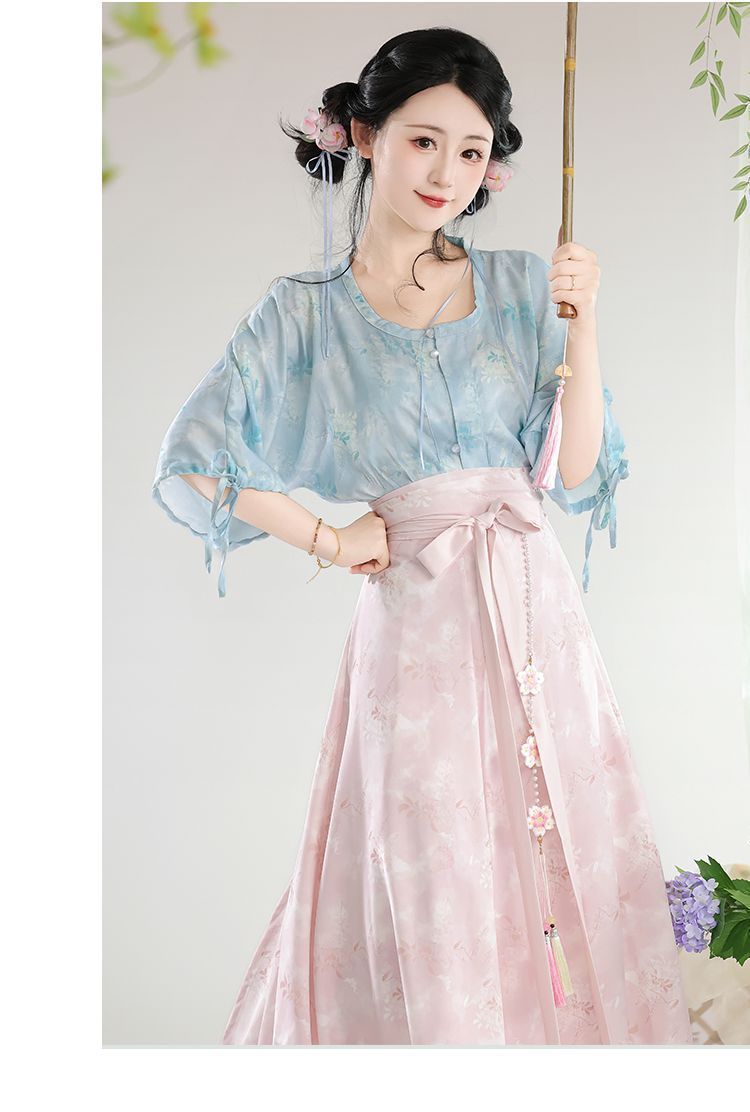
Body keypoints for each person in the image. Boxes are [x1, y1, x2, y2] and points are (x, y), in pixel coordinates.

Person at [151, 27, 692, 1046]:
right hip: (416, 630)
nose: (448, 173)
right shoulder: (304, 315)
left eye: (473, 150)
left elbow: (576, 470)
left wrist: (583, 323)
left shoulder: (525, 286)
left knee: (562, 851)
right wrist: (329, 535)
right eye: (424, 141)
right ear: (365, 135)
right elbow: (192, 460)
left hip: (534, 616)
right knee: (429, 863)